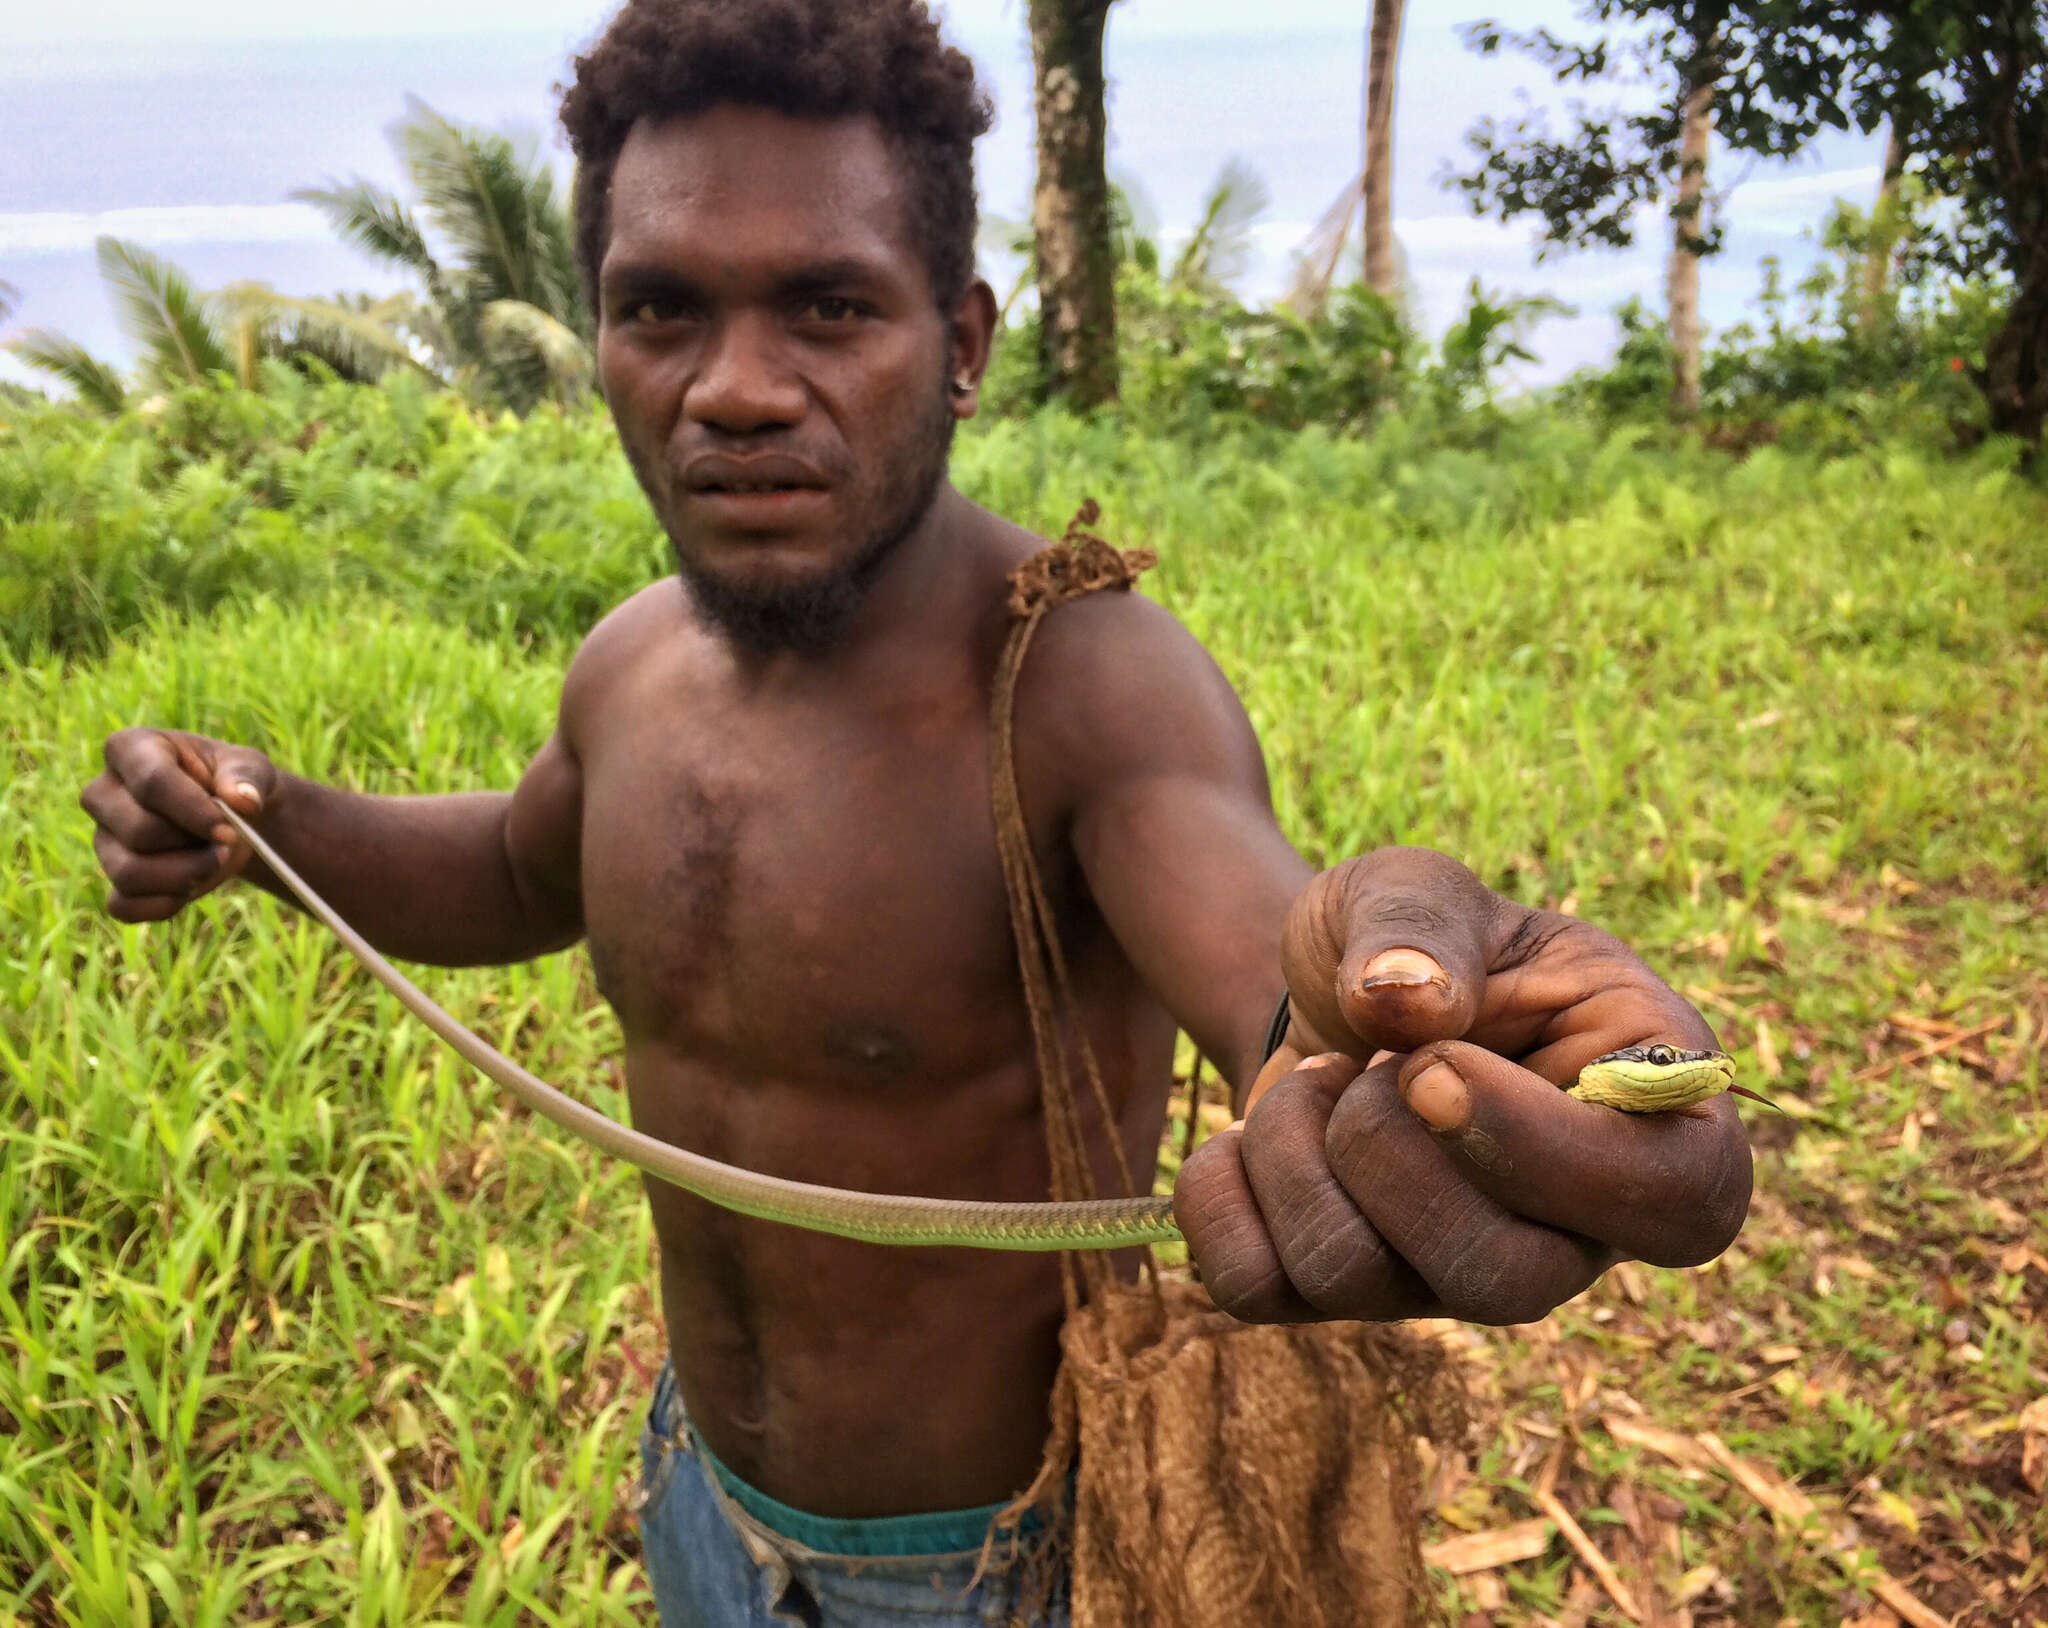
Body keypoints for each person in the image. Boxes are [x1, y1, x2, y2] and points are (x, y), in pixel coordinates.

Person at [77, 2, 1752, 1623]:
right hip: (705, 1498)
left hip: (995, 1560)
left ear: (958, 344)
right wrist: (263, 821)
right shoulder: (628, 668)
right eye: (660, 310)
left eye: (825, 309)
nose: (733, 387)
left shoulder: (1083, 687)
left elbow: (1276, 978)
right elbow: (515, 874)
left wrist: (1390, 1072)